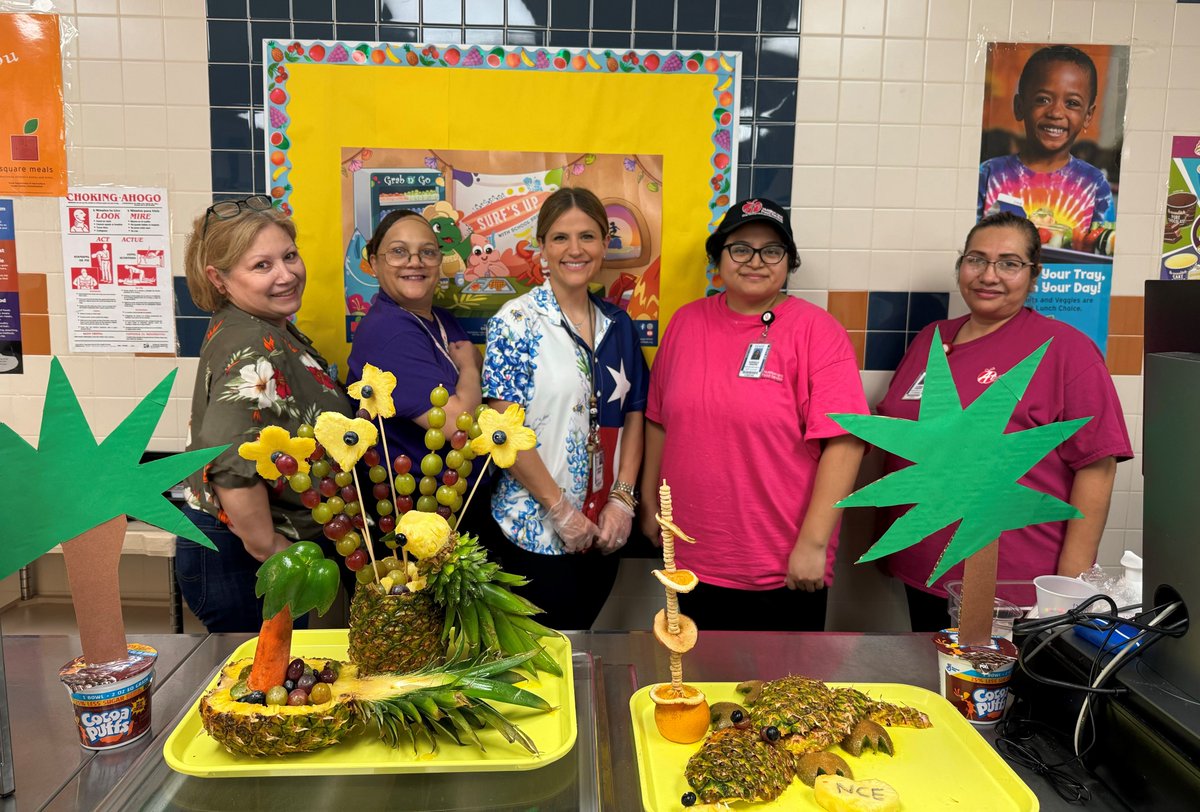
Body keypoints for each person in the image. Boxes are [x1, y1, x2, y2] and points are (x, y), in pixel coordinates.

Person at [876, 212, 1132, 632]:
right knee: (936, 690)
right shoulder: (931, 338)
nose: (988, 275)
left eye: (1009, 263)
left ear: (1034, 276)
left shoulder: (1067, 350)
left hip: (1011, 587)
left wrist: (1067, 587)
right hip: (923, 569)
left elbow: (1097, 465)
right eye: (976, 259)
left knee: (998, 696)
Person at [639, 197, 867, 632]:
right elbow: (658, 420)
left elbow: (845, 441)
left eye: (772, 250)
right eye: (740, 248)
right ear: (718, 259)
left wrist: (813, 545)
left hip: (780, 566)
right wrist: (651, 500)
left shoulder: (818, 331)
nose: (755, 261)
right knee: (695, 687)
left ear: (788, 262)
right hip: (688, 558)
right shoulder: (685, 324)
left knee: (778, 696)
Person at [177, 195, 354, 632]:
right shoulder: (254, 343)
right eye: (262, 266)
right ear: (218, 278)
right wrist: (272, 550)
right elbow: (229, 465)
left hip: (252, 550)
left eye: (290, 256)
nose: (287, 274)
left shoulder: (265, 325)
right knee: (265, 691)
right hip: (243, 557)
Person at [481, 187, 649, 630]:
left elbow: (634, 415)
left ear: (604, 245)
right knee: (538, 663)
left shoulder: (619, 325)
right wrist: (559, 511)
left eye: (588, 237)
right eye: (560, 238)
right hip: (533, 532)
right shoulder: (515, 322)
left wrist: (623, 501)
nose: (575, 250)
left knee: (580, 642)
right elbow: (502, 428)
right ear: (542, 247)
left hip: (604, 531)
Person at [346, 210, 486, 524]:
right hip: (418, 521)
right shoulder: (388, 331)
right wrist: (469, 369)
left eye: (427, 252)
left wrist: (469, 374)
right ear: (374, 262)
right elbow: (456, 426)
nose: (415, 261)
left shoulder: (441, 318)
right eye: (398, 252)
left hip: (459, 503)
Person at [978, 45, 1116, 235]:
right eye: (1043, 100)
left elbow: (1104, 251)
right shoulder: (988, 175)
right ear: (1019, 106)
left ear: (1088, 115)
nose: (1056, 113)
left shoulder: (1094, 184)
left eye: (1072, 103)